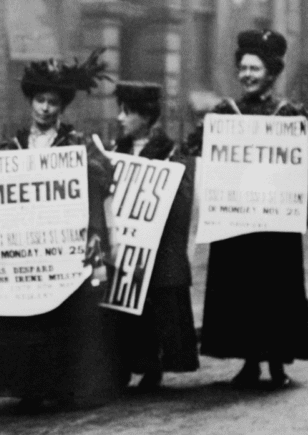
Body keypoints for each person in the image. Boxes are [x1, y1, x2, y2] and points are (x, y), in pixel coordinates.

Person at [0, 51, 127, 412]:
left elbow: (105, 177)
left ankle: (60, 386)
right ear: (31, 101)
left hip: (62, 248)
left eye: (53, 102)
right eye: (40, 101)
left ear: (63, 106)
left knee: (62, 315)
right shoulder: (12, 147)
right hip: (25, 248)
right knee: (25, 315)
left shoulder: (76, 145)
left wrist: (87, 165)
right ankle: (25, 385)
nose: (45, 109)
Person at [186, 29, 308, 389]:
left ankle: (278, 362)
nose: (247, 74)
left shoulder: (290, 115)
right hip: (236, 220)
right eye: (243, 68)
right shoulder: (224, 112)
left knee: (275, 290)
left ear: (271, 73)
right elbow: (195, 146)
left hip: (275, 224)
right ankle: (250, 361)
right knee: (241, 290)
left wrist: (292, 164)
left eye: (255, 68)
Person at [110, 81, 199, 390]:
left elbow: (180, 199)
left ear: (146, 117)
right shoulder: (116, 149)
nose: (120, 118)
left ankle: (151, 365)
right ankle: (121, 365)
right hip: (123, 241)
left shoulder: (170, 151)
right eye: (120, 111)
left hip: (155, 245)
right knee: (119, 306)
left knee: (151, 308)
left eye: (128, 112)